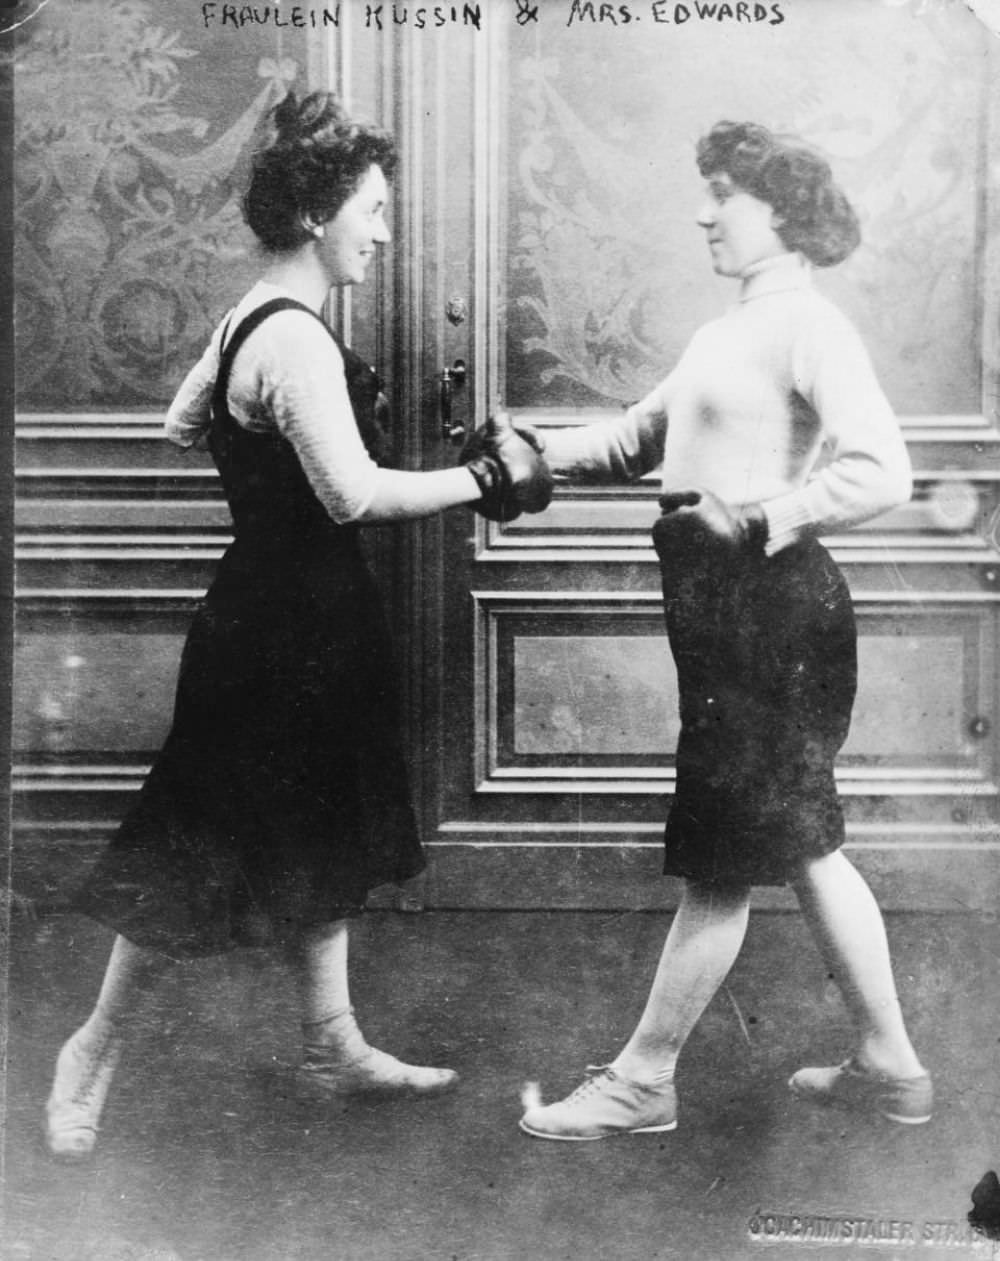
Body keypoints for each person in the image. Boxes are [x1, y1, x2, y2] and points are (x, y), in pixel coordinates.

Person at [44, 89, 552, 1161]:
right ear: (320, 215)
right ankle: (88, 1050)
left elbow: (184, 424)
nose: (381, 228)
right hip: (283, 628)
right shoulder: (299, 344)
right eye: (371, 207)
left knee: (324, 828)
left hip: (286, 612)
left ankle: (333, 1042)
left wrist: (254, 442)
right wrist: (480, 479)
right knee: (196, 847)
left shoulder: (245, 321)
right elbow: (354, 498)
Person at [518, 120, 931, 1142]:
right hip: (723, 616)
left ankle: (643, 1076)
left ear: (781, 211)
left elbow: (883, 468)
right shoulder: (723, 332)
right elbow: (631, 440)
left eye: (722, 195)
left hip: (774, 615)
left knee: (723, 856)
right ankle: (890, 1063)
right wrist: (518, 458)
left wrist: (756, 517)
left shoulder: (810, 326)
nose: (701, 213)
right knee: (801, 842)